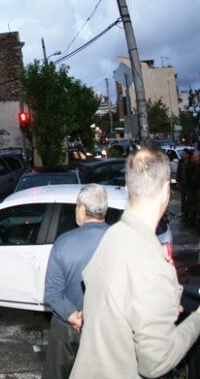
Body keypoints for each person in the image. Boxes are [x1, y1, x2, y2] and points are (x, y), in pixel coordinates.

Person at [71, 147, 200, 378]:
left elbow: (111, 304)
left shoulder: (113, 235)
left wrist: (160, 305)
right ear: (166, 192)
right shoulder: (151, 262)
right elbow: (154, 364)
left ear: (129, 188)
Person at [42, 184, 109, 379]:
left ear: (82, 208)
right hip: (106, 330)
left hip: (67, 328)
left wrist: (74, 316)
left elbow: (53, 292)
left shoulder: (64, 242)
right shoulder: (119, 239)